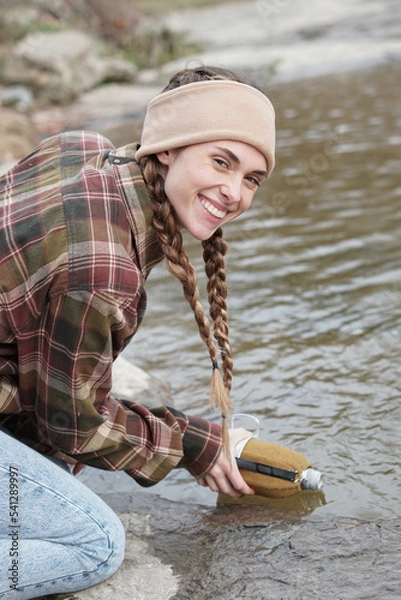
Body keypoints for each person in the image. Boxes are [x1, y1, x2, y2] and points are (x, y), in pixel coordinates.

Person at [0, 65, 275, 598]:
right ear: (169, 147)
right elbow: (73, 425)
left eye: (251, 179)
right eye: (221, 161)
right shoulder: (105, 269)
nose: (234, 192)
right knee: (93, 545)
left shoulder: (77, 149)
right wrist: (198, 445)